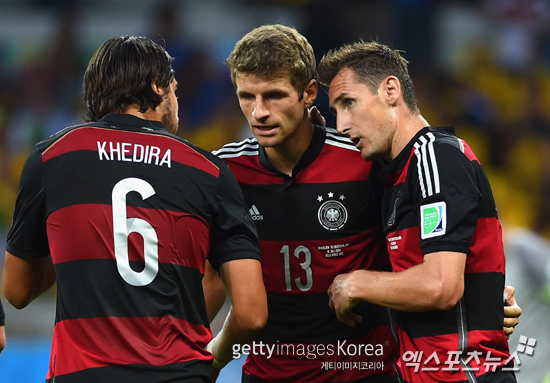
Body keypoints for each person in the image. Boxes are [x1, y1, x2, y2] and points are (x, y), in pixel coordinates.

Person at [204, 25, 521, 383]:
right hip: (269, 372)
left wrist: (484, 295)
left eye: (274, 95)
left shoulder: (379, 160)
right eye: (246, 96)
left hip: (371, 371)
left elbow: (439, 270)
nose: (258, 113)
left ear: (308, 94)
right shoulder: (222, 172)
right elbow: (211, 275)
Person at [2, 35, 267, 382]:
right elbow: (251, 315)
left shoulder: (52, 158)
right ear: (157, 87)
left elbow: (17, 291)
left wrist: (83, 240)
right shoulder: (209, 170)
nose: (176, 99)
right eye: (173, 89)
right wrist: (212, 360)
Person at [319, 41, 516, 382]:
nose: (341, 125)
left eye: (349, 103)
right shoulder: (392, 176)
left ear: (391, 90)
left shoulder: (434, 157)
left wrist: (356, 283)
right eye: (336, 110)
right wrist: (484, 295)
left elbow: (440, 286)